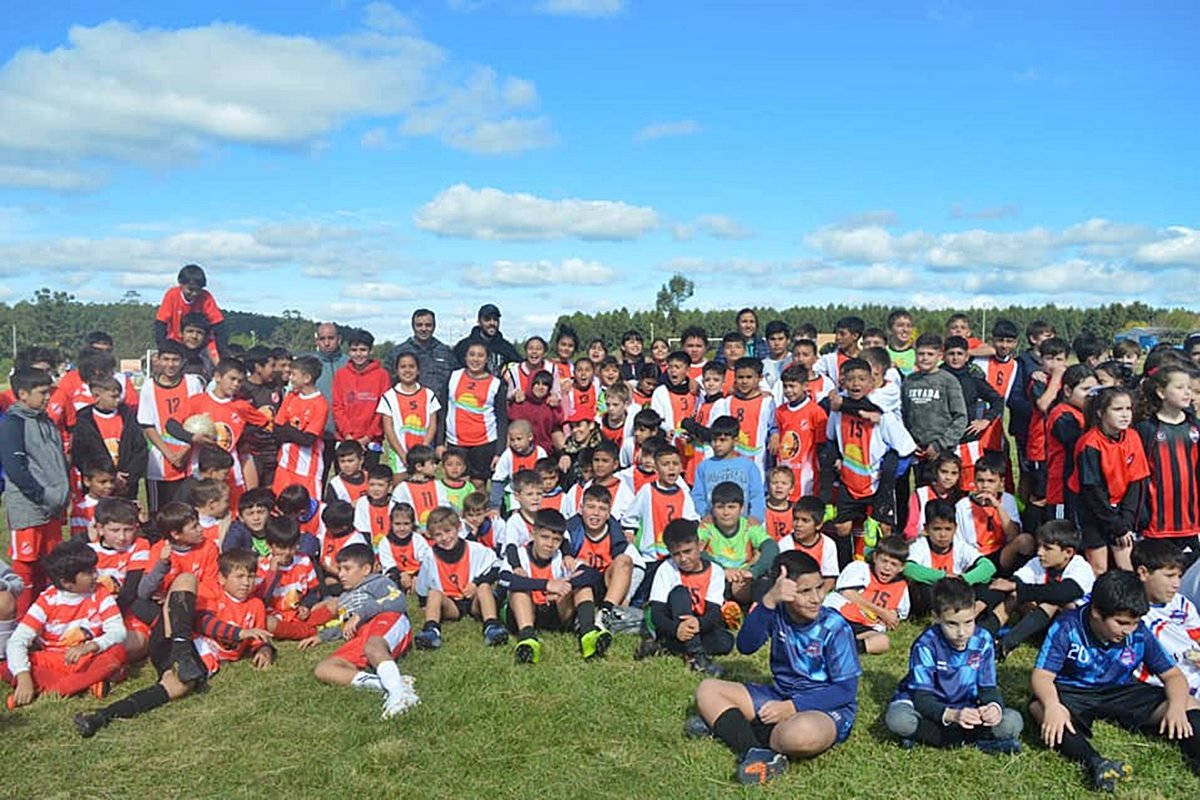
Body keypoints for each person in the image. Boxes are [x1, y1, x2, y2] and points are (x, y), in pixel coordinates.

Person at [688, 551, 860, 785]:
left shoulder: (835, 626)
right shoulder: (775, 611)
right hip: (779, 695)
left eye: (820, 588)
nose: (817, 598)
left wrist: (792, 707)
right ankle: (755, 751)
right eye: (804, 591)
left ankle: (730, 727)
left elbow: (845, 692)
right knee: (707, 689)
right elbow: (746, 645)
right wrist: (768, 602)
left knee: (800, 735)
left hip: (823, 708)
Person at [1029, 569, 1200, 793]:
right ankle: (1095, 762)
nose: (1128, 630)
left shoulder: (1138, 633)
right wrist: (1052, 706)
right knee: (1038, 707)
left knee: (1186, 703)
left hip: (1120, 690)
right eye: (1121, 623)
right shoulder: (1066, 626)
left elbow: (1173, 676)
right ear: (1096, 612)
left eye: (1134, 623)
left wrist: (1176, 708)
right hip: (1074, 691)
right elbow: (1042, 676)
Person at [886, 576, 1023, 752]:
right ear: (936, 617)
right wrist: (952, 715)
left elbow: (988, 687)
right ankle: (974, 739)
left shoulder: (983, 640)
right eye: (952, 624)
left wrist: (993, 708)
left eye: (968, 622)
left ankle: (934, 738)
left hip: (966, 706)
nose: (961, 632)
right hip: (931, 708)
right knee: (899, 720)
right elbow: (922, 698)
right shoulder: (926, 644)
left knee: (1012, 722)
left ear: (975, 612)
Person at [3, 539, 128, 709]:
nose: (95, 576)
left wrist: (89, 647)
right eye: (88, 572)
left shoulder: (100, 592)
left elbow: (118, 631)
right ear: (66, 582)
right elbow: (18, 640)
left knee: (117, 651)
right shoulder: (47, 600)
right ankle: (90, 681)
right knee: (8, 667)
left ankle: (58, 687)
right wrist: (23, 675)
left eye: (94, 570)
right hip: (54, 659)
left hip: (88, 657)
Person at [302, 543, 418, 719]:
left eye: (347, 569)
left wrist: (361, 614)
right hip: (361, 636)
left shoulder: (378, 582)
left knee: (373, 646)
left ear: (365, 569)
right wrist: (322, 636)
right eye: (339, 569)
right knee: (324, 669)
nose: (341, 574)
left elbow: (397, 600)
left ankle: (398, 696)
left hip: (386, 621)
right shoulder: (344, 597)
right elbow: (344, 624)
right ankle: (390, 683)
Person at [1, 367, 70, 615]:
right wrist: (42, 496)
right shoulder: (13, 423)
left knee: (49, 565)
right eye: (42, 393)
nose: (47, 398)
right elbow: (16, 468)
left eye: (48, 392)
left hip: (52, 507)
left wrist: (61, 495)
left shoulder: (46, 421)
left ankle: (43, 619)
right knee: (26, 567)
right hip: (29, 509)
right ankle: (18, 621)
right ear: (22, 394)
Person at [498, 509, 607, 663]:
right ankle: (527, 639)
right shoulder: (519, 554)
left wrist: (567, 584)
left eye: (556, 540)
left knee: (583, 586)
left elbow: (593, 575)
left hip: (555, 613)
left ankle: (588, 634)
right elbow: (503, 580)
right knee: (518, 589)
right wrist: (547, 585)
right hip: (525, 613)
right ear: (533, 533)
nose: (550, 544)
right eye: (544, 537)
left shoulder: (563, 558)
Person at [984, 520, 1096, 659]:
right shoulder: (1038, 563)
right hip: (1045, 624)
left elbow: (1065, 592)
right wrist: (1013, 586)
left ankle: (1003, 647)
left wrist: (1020, 588)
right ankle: (983, 635)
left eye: (1047, 548)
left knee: (1053, 602)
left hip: (1076, 631)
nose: (1039, 552)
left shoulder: (1081, 567)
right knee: (1014, 594)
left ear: (1068, 552)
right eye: (1040, 546)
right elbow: (1015, 582)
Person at [1069, 386, 1149, 574]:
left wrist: (1125, 521)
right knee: (1099, 567)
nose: (1125, 415)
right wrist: (1115, 524)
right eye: (1118, 409)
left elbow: (1136, 481)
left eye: (1128, 409)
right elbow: (1092, 490)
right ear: (1100, 412)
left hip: (1120, 508)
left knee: (1127, 566)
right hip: (1091, 509)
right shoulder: (1089, 443)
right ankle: (1095, 602)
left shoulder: (1133, 437)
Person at [639, 519, 732, 675]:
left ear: (700, 546)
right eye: (676, 554)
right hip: (672, 624)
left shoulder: (715, 571)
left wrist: (699, 623)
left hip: (696, 624)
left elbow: (714, 612)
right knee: (680, 593)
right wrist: (676, 629)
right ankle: (696, 656)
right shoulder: (666, 569)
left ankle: (667, 647)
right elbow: (657, 614)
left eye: (687, 551)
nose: (683, 559)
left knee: (725, 642)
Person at [412, 507, 507, 650]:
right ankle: (431, 631)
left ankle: (491, 626)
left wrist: (476, 582)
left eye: (448, 531)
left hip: (474, 600)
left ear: (458, 528)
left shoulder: (475, 549)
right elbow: (423, 585)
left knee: (484, 588)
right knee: (434, 594)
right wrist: (425, 604)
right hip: (451, 603)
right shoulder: (430, 556)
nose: (444, 538)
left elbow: (497, 567)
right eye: (438, 534)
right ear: (431, 536)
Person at [1136, 364, 1200, 558]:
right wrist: (1142, 512)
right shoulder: (1147, 429)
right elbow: (1140, 473)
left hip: (1191, 519)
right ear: (1161, 392)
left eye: (1189, 388)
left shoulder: (1194, 427)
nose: (1187, 392)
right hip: (1158, 520)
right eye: (1179, 387)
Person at [140, 341, 206, 512]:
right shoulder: (148, 387)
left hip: (190, 458)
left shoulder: (193, 383)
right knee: (159, 512)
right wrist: (169, 454)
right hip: (160, 461)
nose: (170, 364)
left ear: (183, 361)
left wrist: (184, 451)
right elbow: (147, 426)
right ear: (158, 360)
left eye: (175, 360)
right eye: (166, 359)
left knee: (187, 511)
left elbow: (199, 421)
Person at [903, 499, 994, 615]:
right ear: (926, 529)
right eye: (937, 529)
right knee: (923, 587)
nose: (943, 535)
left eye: (948, 529)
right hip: (934, 595)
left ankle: (970, 611)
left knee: (990, 585)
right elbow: (908, 568)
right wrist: (943, 577)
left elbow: (988, 566)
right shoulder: (920, 545)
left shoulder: (960, 545)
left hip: (957, 591)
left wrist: (964, 579)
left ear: (955, 528)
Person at [1133, 539, 1200, 695]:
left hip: (1193, 675)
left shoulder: (1182, 604)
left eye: (1179, 576)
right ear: (1143, 573)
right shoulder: (1130, 610)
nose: (1177, 584)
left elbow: (1196, 636)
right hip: (1160, 686)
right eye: (1169, 576)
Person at [823, 535, 910, 655]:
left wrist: (892, 615)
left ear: (901, 568)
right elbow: (847, 593)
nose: (887, 567)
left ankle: (846, 647)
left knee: (882, 642)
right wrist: (881, 612)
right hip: (840, 614)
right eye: (884, 561)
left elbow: (897, 615)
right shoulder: (860, 568)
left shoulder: (901, 586)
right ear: (875, 558)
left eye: (893, 564)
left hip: (865, 625)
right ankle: (830, 642)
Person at [698, 482, 778, 610]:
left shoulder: (749, 527)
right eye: (720, 507)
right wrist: (722, 571)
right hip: (719, 578)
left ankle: (755, 613)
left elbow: (771, 547)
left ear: (741, 509)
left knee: (766, 582)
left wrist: (753, 572)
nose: (726, 512)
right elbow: (696, 550)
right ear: (712, 508)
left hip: (746, 578)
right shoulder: (707, 527)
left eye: (731, 507)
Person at [71, 376, 148, 501]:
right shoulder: (83, 419)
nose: (117, 400)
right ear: (96, 396)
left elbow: (140, 449)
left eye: (119, 396)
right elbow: (81, 455)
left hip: (126, 487)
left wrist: (127, 478)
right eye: (113, 397)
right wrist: (109, 477)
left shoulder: (127, 415)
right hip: (98, 488)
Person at [901, 334, 968, 470]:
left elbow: (960, 417)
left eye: (930, 354)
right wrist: (910, 443)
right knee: (921, 489)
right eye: (921, 354)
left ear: (940, 355)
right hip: (917, 449)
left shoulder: (948, 381)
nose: (925, 358)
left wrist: (940, 444)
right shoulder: (909, 381)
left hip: (943, 450)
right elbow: (904, 415)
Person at [446, 342, 508, 488]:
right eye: (472, 355)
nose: (475, 359)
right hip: (456, 441)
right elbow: (443, 411)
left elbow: (502, 419)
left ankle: (480, 511)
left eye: (480, 355)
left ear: (487, 359)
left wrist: (499, 451)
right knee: (458, 483)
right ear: (466, 357)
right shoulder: (453, 377)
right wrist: (440, 443)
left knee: (478, 484)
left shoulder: (495, 383)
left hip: (484, 443)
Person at [1045, 365, 1098, 524]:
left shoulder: (1083, 413)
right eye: (1085, 389)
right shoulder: (1062, 414)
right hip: (1061, 486)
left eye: (1094, 390)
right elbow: (1077, 444)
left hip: (1077, 486)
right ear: (1068, 391)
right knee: (1060, 534)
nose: (1091, 395)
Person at [385, 308, 458, 423]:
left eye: (428, 325)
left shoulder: (446, 352)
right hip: (406, 414)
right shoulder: (397, 352)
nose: (423, 329)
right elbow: (389, 384)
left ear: (434, 326)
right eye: (419, 325)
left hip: (439, 416)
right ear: (413, 326)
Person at [272, 355, 329, 499]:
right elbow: (276, 429)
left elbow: (308, 440)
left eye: (293, 374)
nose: (290, 378)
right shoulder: (291, 397)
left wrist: (288, 430)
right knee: (280, 505)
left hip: (307, 468)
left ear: (307, 378)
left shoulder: (320, 404)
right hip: (285, 465)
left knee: (307, 510)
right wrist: (294, 433)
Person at [690, 415, 766, 523]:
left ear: (735, 441)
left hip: (742, 526)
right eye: (714, 440)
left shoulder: (748, 466)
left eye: (723, 440)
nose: (717, 444)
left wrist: (755, 517)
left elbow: (757, 495)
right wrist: (704, 513)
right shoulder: (704, 467)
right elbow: (697, 496)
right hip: (714, 525)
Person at [332, 329, 390, 469]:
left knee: (369, 483)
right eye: (354, 350)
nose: (358, 354)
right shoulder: (341, 375)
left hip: (370, 441)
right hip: (346, 439)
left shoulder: (382, 375)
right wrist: (349, 436)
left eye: (363, 350)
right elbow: (337, 407)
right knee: (345, 483)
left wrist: (367, 437)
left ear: (371, 351)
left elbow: (382, 410)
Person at [377, 352, 441, 478]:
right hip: (399, 455)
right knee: (401, 490)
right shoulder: (389, 397)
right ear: (396, 370)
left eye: (411, 366)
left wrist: (421, 451)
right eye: (403, 367)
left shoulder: (428, 394)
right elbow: (388, 429)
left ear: (418, 370)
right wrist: (402, 454)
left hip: (423, 456)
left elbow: (433, 424)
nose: (407, 370)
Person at [770, 364, 827, 502]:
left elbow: (821, 445)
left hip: (806, 473)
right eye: (785, 386)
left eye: (792, 386)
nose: (789, 391)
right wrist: (775, 434)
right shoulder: (780, 411)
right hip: (784, 470)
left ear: (805, 386)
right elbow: (776, 431)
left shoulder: (816, 412)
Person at [154, 264, 227, 356]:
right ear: (180, 284)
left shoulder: (206, 297)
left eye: (198, 290)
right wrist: (162, 349)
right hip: (177, 342)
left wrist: (222, 352)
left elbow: (219, 326)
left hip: (200, 343)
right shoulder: (172, 295)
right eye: (191, 289)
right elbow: (161, 324)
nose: (194, 293)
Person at [238, 346, 282, 491]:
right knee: (253, 496)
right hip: (252, 453)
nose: (275, 370)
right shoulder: (242, 390)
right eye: (271, 365)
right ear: (258, 367)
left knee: (271, 495)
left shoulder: (275, 387)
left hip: (273, 452)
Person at [311, 322, 349, 474]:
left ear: (339, 339)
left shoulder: (349, 363)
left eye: (331, 338)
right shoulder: (310, 364)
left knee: (347, 479)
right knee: (319, 477)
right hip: (320, 434)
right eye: (322, 339)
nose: (326, 343)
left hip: (345, 435)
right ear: (317, 341)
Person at [453, 303, 521, 377]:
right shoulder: (464, 346)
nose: (492, 323)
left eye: (495, 319)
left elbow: (521, 368)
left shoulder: (506, 348)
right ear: (479, 322)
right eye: (487, 319)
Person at [390, 445, 447, 530]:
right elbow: (396, 513)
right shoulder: (402, 488)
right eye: (432, 463)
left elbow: (445, 508)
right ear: (419, 467)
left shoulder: (437, 485)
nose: (435, 466)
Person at [506, 370, 562, 456]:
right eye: (537, 384)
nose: (540, 387)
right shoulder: (519, 405)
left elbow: (557, 428)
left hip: (545, 453)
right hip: (520, 452)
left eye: (545, 385)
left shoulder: (550, 406)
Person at [377, 503, 429, 594]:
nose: (402, 528)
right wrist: (402, 574)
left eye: (406, 524)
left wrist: (417, 576)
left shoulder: (417, 539)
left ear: (412, 524)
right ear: (391, 524)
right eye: (397, 524)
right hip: (397, 574)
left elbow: (426, 561)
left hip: (416, 573)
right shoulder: (385, 542)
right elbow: (389, 566)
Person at [69, 463, 116, 539]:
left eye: (112, 481)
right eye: (103, 482)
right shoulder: (81, 508)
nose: (109, 486)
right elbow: (78, 539)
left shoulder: (119, 504)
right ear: (87, 481)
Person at [814, 315, 864, 384]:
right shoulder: (829, 359)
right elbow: (814, 372)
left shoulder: (867, 358)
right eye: (836, 333)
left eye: (842, 334)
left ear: (855, 336)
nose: (837, 337)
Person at [354, 465, 396, 545]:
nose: (375, 489)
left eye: (380, 485)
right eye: (372, 484)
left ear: (390, 486)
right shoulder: (363, 503)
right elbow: (363, 532)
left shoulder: (395, 503)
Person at [324, 440, 369, 507]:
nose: (346, 465)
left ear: (361, 460)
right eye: (342, 461)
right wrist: (350, 506)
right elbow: (331, 512)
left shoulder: (370, 478)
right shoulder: (336, 484)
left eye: (350, 461)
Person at [886, 309, 915, 376]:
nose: (905, 329)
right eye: (900, 325)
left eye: (909, 326)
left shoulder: (918, 353)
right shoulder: (883, 353)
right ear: (890, 329)